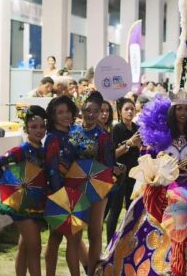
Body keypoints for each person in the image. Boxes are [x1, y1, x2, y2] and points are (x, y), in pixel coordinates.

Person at [97, 91, 187, 275]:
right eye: (179, 109)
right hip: (161, 190)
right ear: (172, 110)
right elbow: (145, 160)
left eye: (186, 109)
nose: (183, 113)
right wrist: (159, 172)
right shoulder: (159, 135)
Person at [0, 105, 48, 276]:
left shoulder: (43, 151)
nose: (39, 130)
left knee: (24, 248)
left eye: (42, 126)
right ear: (26, 129)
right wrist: (12, 183)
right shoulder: (21, 150)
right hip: (21, 207)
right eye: (34, 127)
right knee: (35, 247)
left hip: (36, 203)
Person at [66, 91, 116, 275]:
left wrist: (104, 185)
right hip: (74, 187)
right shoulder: (72, 132)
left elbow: (108, 166)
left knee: (94, 231)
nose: (91, 114)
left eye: (96, 110)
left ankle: (93, 271)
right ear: (81, 110)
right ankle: (85, 266)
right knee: (74, 231)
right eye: (88, 110)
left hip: (97, 187)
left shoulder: (103, 137)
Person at [44, 95, 86, 276]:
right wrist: (61, 197)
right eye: (60, 112)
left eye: (67, 111)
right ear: (53, 117)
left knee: (66, 238)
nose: (65, 115)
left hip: (78, 192)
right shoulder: (52, 138)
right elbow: (52, 170)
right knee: (62, 237)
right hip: (60, 194)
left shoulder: (76, 132)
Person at [105, 97, 142, 241]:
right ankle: (109, 242)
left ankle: (129, 240)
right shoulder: (116, 129)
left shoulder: (137, 129)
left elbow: (142, 149)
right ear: (120, 112)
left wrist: (138, 145)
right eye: (126, 109)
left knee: (132, 209)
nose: (130, 112)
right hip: (119, 173)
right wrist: (129, 144)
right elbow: (113, 153)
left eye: (132, 109)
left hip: (135, 173)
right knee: (115, 209)